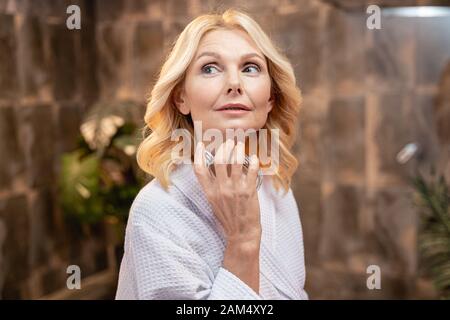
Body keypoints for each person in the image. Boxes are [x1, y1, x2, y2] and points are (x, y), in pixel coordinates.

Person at [115, 8, 308, 300]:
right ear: (181, 98)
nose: (235, 83)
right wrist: (243, 240)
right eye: (210, 68)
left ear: (270, 98)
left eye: (250, 68)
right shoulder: (155, 211)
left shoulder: (277, 189)